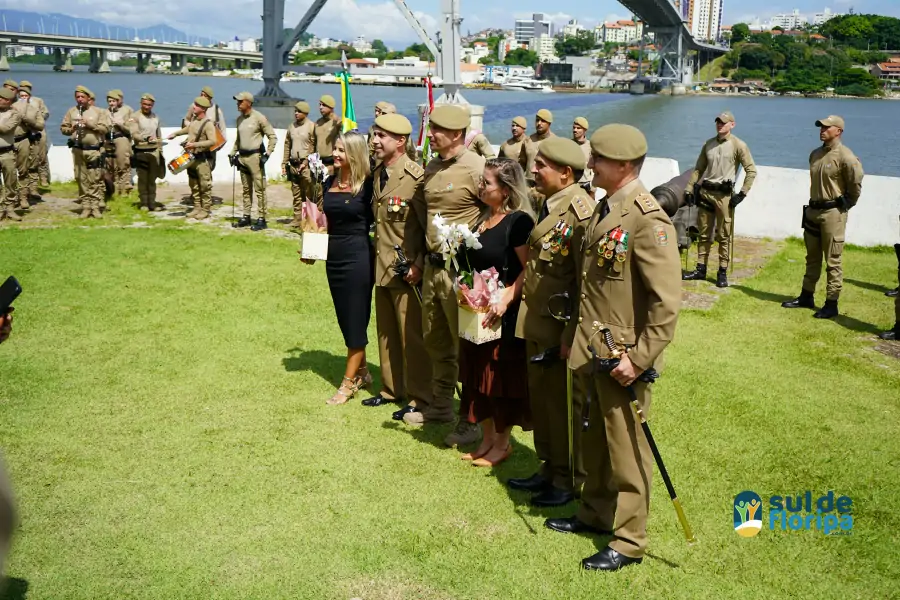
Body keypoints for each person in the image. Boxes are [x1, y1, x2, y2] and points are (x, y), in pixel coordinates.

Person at [545, 124, 681, 572]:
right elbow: (590, 285)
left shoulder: (647, 219)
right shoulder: (606, 208)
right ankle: (595, 512)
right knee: (594, 439)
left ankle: (628, 540)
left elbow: (666, 304)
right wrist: (573, 338)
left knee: (627, 450)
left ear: (624, 166)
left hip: (622, 355)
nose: (591, 165)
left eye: (598, 159)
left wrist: (638, 359)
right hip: (592, 346)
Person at [510, 137, 594, 507]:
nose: (533, 169)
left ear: (565, 173)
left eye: (542, 165)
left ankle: (566, 478)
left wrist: (570, 332)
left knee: (561, 407)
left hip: (559, 326)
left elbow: (583, 282)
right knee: (543, 403)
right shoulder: (551, 204)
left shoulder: (580, 213)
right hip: (538, 321)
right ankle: (548, 466)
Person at [407, 104, 486, 445]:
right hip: (434, 269)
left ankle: (471, 420)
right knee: (436, 339)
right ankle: (441, 406)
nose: (431, 135)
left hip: (463, 271)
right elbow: (424, 215)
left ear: (456, 134)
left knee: (468, 346)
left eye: (437, 130)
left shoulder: (477, 168)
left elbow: (498, 212)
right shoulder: (432, 166)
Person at [455, 158, 534, 467]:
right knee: (475, 378)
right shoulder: (481, 218)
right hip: (475, 315)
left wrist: (506, 298)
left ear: (505, 190)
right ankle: (486, 439)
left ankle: (502, 444)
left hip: (502, 317)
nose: (480, 186)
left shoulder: (519, 223)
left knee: (498, 381)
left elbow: (530, 269)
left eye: (486, 183)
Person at [362, 113, 433, 415]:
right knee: (387, 331)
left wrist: (419, 264)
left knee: (411, 337)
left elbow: (429, 226)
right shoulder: (378, 171)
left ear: (400, 141)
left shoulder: (416, 178)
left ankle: (419, 398)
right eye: (375, 135)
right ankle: (392, 389)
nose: (375, 141)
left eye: (381, 136)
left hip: (407, 272)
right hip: (382, 266)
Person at [300, 132, 375, 404]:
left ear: (355, 153)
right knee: (345, 316)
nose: (336, 153)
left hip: (358, 256)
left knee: (356, 317)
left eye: (342, 149)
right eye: (335, 148)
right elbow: (323, 219)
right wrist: (311, 248)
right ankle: (363, 371)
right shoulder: (329, 180)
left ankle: (348, 383)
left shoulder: (368, 185)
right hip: (334, 256)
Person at [781, 115, 864, 319]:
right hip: (813, 211)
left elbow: (855, 184)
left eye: (827, 127)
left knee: (833, 260)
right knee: (812, 257)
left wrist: (846, 205)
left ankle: (831, 303)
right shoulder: (816, 154)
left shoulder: (846, 156)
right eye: (821, 127)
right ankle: (806, 296)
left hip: (832, 213)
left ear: (839, 131)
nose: (822, 130)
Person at [682, 111, 757, 288]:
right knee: (704, 233)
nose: (720, 124)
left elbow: (751, 170)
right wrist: (689, 188)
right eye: (718, 122)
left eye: (724, 122)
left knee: (723, 235)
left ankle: (722, 272)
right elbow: (699, 169)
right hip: (706, 192)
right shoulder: (708, 144)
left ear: (732, 124)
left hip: (724, 196)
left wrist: (742, 193)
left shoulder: (739, 145)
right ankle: (701, 269)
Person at [60, 85, 111, 219]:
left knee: (94, 178)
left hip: (93, 150)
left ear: (88, 98)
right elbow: (63, 129)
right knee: (81, 178)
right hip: (78, 150)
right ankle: (86, 206)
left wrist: (90, 125)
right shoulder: (71, 112)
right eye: (77, 97)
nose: (80, 99)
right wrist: (71, 129)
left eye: (83, 97)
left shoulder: (99, 111)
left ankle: (95, 206)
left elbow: (105, 128)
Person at [228, 91, 277, 231]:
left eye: (240, 101)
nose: (237, 104)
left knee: (259, 189)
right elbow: (238, 139)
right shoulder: (239, 119)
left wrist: (267, 154)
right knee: (246, 189)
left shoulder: (259, 118)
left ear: (248, 102)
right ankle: (246, 216)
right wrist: (232, 153)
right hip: (242, 157)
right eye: (237, 101)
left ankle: (262, 219)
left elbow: (272, 137)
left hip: (255, 158)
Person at [167, 97, 217, 220]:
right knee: (193, 184)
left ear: (203, 108)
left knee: (204, 185)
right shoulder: (194, 121)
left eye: (196, 105)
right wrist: (176, 134)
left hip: (202, 159)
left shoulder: (208, 124)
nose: (193, 107)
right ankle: (197, 207)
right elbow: (189, 129)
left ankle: (205, 209)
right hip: (191, 158)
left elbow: (213, 141)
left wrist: (195, 145)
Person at [11, 80, 45, 212]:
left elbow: (40, 125)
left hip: (24, 140)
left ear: (29, 97)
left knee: (24, 170)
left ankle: (23, 197)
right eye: (21, 96)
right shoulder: (11, 107)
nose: (23, 98)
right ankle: (12, 198)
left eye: (26, 96)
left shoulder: (34, 109)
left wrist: (26, 119)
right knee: (10, 170)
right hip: (10, 141)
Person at [128, 93, 165, 212]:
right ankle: (143, 202)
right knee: (143, 178)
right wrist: (145, 139)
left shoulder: (155, 117)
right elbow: (134, 134)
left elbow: (159, 135)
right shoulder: (135, 116)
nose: (146, 107)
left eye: (149, 105)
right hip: (141, 151)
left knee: (152, 179)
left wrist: (160, 151)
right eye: (144, 104)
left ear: (152, 105)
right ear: (141, 104)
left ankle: (152, 202)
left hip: (154, 152)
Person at [283, 101, 316, 228]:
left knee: (308, 193)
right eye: (295, 111)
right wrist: (284, 162)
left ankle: (309, 219)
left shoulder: (311, 126)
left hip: (306, 165)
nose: (296, 113)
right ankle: (297, 218)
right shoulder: (291, 126)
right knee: (296, 193)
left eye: (299, 111)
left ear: (305, 113)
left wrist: (306, 161)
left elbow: (313, 146)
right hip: (293, 164)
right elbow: (287, 145)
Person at [18, 81, 50, 187]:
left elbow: (45, 113)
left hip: (38, 130)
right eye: (22, 88)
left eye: (26, 88)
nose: (24, 90)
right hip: (24, 131)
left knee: (42, 153)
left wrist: (36, 118)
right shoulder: (16, 102)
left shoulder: (37, 101)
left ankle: (43, 176)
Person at [104, 90, 134, 196]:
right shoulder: (105, 112)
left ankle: (125, 189)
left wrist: (119, 124)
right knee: (111, 166)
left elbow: (131, 129)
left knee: (123, 165)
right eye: (109, 101)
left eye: (114, 101)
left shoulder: (127, 110)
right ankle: (114, 189)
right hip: (109, 140)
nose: (111, 103)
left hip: (122, 138)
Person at [0, 88, 21, 223]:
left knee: (10, 181)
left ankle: (10, 208)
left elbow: (6, 128)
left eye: (1, 98)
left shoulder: (14, 114)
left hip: (6, 151)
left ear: (7, 101)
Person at [499, 116, 537, 183]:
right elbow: (499, 162)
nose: (514, 128)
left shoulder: (529, 143)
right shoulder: (505, 145)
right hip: (508, 179)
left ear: (524, 129)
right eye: (513, 126)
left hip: (524, 180)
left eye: (517, 126)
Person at [313, 94, 341, 176]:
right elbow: (313, 142)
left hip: (332, 165)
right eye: (320, 105)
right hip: (318, 164)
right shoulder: (318, 123)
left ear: (331, 107)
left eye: (324, 105)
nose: (320, 107)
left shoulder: (337, 122)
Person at [572, 116, 592, 191]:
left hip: (587, 184)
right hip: (572, 184)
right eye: (574, 128)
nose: (575, 130)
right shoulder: (569, 144)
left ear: (584, 130)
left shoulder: (590, 146)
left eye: (578, 128)